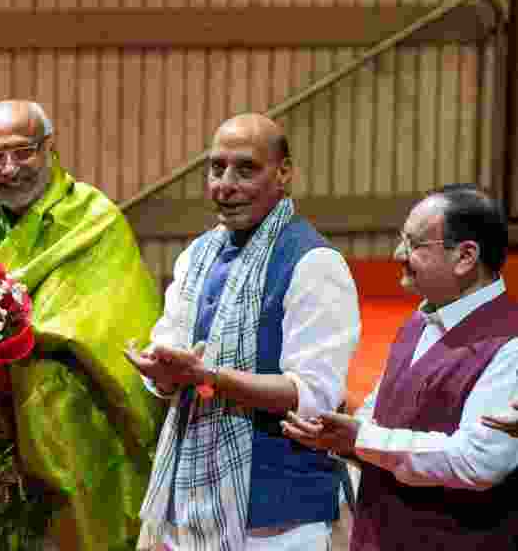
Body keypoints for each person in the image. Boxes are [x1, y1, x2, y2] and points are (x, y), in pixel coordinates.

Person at [0, 99, 165, 551]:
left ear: (49, 148)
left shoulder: (93, 218)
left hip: (74, 428)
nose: (10, 169)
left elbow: (106, 332)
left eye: (23, 152)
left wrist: (9, 365)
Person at [133, 113, 361, 551]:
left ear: (285, 173)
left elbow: (312, 395)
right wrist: (158, 371)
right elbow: (170, 348)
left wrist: (209, 379)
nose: (226, 184)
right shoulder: (197, 255)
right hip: (188, 505)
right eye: (216, 168)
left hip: (280, 519)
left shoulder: (314, 263)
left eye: (246, 169)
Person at [283, 184, 518, 550]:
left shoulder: (510, 343)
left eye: (414, 244)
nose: (398, 253)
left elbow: (479, 460)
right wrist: (339, 433)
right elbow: (380, 408)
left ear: (466, 256)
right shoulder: (420, 319)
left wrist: (360, 438)